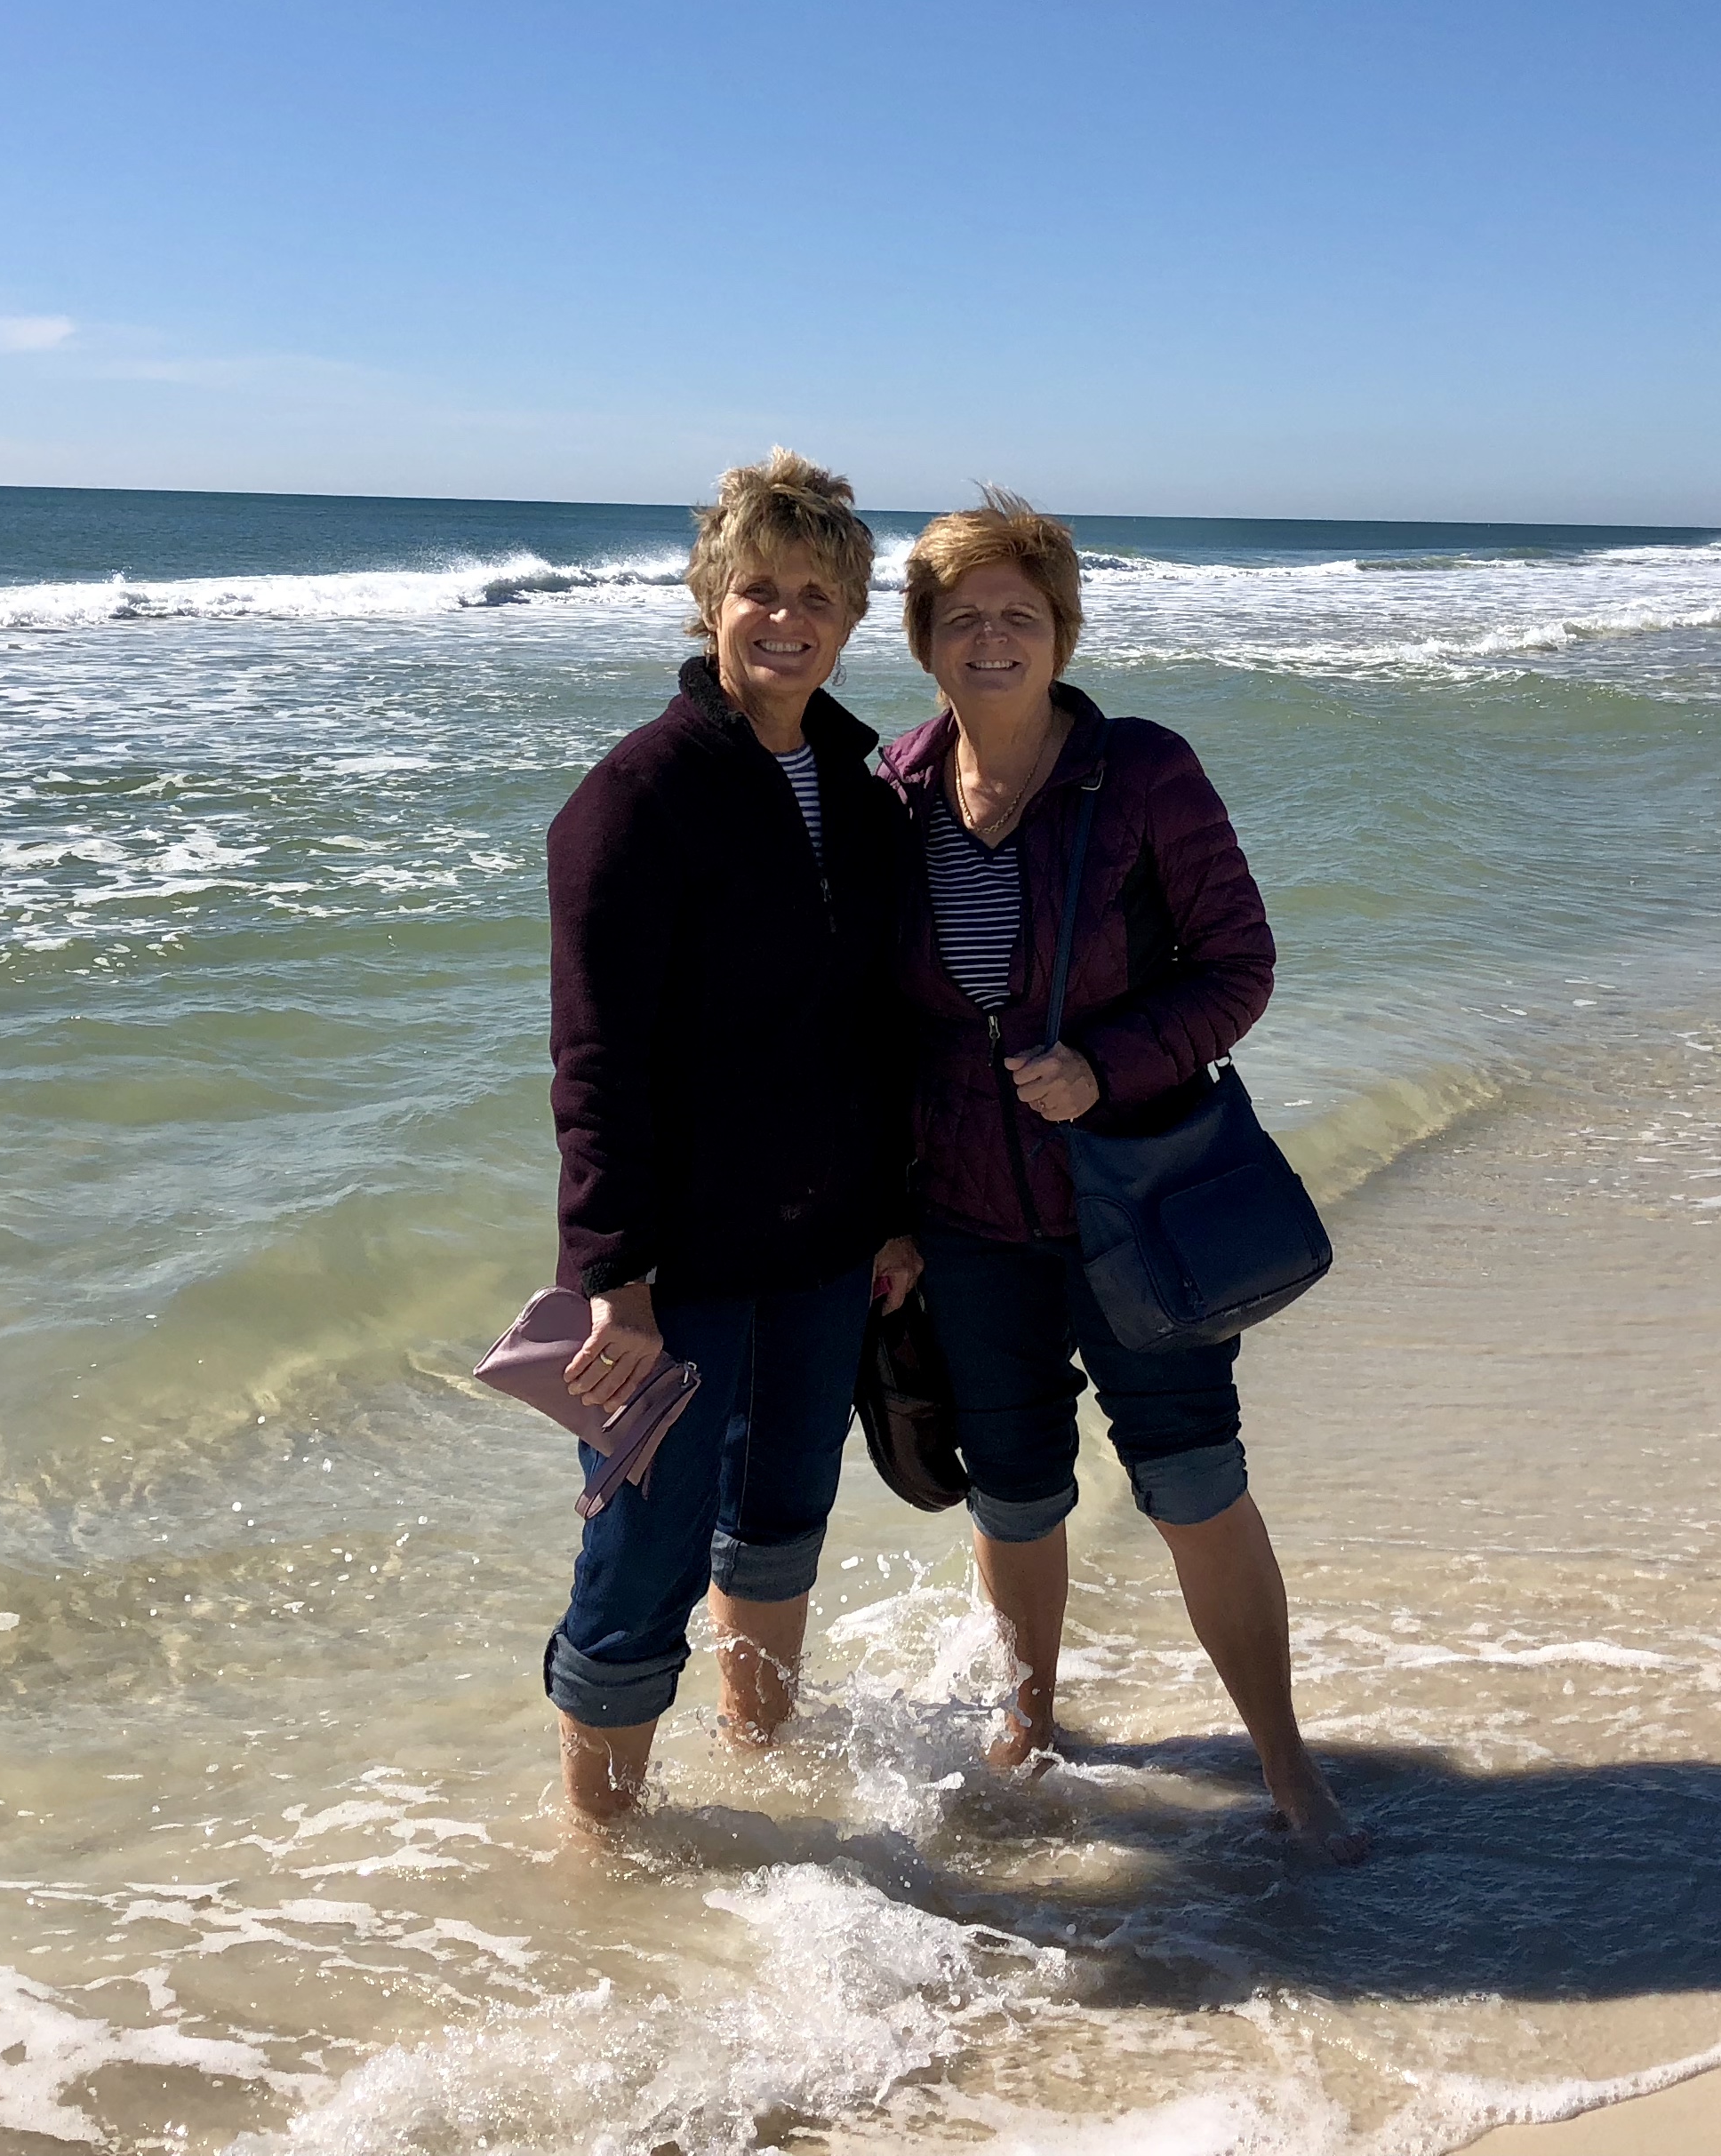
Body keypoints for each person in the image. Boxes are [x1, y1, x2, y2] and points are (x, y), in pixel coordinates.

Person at [875, 489, 1365, 1862]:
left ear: (1063, 631)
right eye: (962, 616)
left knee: (1194, 1475)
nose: (991, 638)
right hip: (970, 1216)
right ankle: (1028, 1728)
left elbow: (1239, 966)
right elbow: (877, 1028)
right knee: (1014, 1487)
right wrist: (889, 1216)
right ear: (923, 637)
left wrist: (1107, 1064)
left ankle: (1289, 1771)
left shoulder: (1141, 772)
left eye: (1018, 614)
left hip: (1137, 1199)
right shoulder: (894, 792)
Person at [539, 449, 921, 1821]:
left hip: (824, 1252)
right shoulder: (636, 795)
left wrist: (894, 1212)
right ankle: (604, 1863)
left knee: (780, 1522)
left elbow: (877, 1028)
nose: (786, 618)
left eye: (817, 595)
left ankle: (764, 1777)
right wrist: (615, 1275)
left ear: (852, 617)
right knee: (639, 1557)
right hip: (677, 1270)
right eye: (759, 589)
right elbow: (595, 1058)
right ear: (711, 600)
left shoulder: (864, 796)